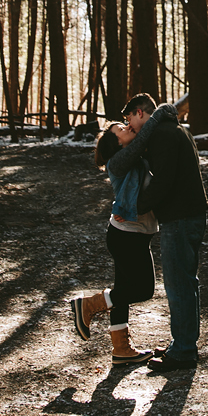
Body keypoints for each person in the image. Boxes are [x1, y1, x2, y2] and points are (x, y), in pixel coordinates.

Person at [69, 101, 177, 366]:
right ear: (117, 143)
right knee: (142, 290)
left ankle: (121, 348)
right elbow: (141, 142)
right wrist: (159, 114)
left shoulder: (134, 159)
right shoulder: (118, 162)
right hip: (126, 235)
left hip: (133, 235)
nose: (128, 127)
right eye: (122, 129)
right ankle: (90, 305)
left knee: (124, 290)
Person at [122, 92, 208, 372]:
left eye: (129, 119)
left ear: (139, 113)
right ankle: (183, 344)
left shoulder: (161, 135)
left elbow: (163, 182)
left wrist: (135, 207)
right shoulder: (175, 130)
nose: (129, 126)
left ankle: (183, 351)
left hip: (180, 217)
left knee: (178, 284)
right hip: (190, 214)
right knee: (187, 282)